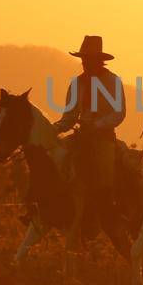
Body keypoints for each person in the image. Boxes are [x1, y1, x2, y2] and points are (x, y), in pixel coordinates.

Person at [52, 35, 126, 195]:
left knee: (106, 172)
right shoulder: (76, 83)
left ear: (98, 60)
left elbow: (119, 113)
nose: (84, 62)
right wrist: (54, 129)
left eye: (88, 58)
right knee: (56, 158)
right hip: (81, 136)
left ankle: (108, 205)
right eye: (83, 58)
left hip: (103, 138)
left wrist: (97, 125)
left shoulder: (112, 82)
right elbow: (69, 116)